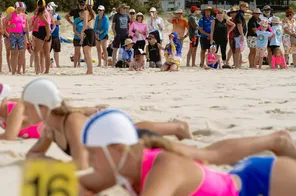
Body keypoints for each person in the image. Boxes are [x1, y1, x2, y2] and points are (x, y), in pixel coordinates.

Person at [80, 109, 296, 196]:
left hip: (265, 186)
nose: (89, 161)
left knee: (210, 155)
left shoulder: (165, 164)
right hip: (239, 184)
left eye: (93, 154)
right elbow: (78, 185)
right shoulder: (121, 171)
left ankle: (277, 140)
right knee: (209, 154)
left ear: (118, 149)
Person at [22, 79, 192, 170]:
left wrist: (50, 163)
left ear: (43, 106)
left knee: (136, 129)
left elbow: (81, 164)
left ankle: (177, 127)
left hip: (135, 145)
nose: (25, 113)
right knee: (133, 126)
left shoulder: (71, 121)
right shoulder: (50, 127)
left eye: (28, 108)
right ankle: (176, 127)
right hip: (116, 148)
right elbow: (32, 155)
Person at [3, 2, 27, 75]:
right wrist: (10, 26)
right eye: (19, 9)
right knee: (13, 53)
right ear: (15, 7)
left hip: (20, 35)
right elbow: (4, 24)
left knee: (21, 52)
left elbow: (24, 24)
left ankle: (19, 70)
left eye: (21, 9)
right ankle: (13, 71)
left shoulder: (22, 15)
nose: (20, 10)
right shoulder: (11, 14)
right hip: (13, 35)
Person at [32, 0, 54, 74]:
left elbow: (47, 24)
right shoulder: (47, 12)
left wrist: (47, 35)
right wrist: (48, 34)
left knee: (36, 51)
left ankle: (38, 70)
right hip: (48, 31)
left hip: (43, 31)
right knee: (46, 52)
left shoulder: (41, 13)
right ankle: (46, 71)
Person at [81, 0, 96, 75]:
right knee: (88, 52)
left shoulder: (86, 12)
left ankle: (90, 70)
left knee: (87, 53)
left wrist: (82, 31)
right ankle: (89, 70)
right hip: (92, 31)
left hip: (87, 31)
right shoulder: (93, 12)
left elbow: (85, 24)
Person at [233, 3, 247, 69]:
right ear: (241, 7)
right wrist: (242, 34)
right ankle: (237, 65)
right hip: (238, 34)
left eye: (247, 7)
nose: (246, 8)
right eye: (245, 7)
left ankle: (238, 64)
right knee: (238, 49)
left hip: (240, 34)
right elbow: (239, 25)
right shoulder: (239, 14)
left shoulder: (241, 14)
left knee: (239, 49)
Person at [48, 2, 61, 68]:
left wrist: (52, 22)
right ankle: (49, 63)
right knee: (47, 51)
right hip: (48, 35)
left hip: (55, 35)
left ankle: (58, 64)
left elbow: (60, 22)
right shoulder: (46, 15)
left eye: (55, 7)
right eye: (54, 7)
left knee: (56, 51)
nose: (55, 8)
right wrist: (54, 22)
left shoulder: (56, 15)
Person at [3, 6, 15, 72]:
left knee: (14, 53)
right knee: (8, 53)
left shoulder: (14, 19)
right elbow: (4, 29)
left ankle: (13, 67)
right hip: (7, 37)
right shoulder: (4, 19)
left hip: (13, 37)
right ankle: (10, 68)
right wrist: (9, 36)